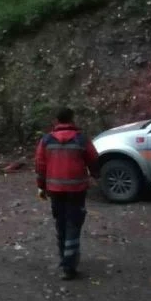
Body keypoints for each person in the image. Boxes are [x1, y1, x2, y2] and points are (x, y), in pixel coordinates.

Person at [35, 107, 100, 280]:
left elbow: (40, 165)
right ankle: (69, 265)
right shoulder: (81, 139)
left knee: (61, 223)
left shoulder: (46, 140)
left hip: (55, 190)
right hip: (77, 190)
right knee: (73, 224)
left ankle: (64, 257)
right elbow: (93, 159)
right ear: (72, 119)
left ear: (56, 120)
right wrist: (96, 175)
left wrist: (41, 186)